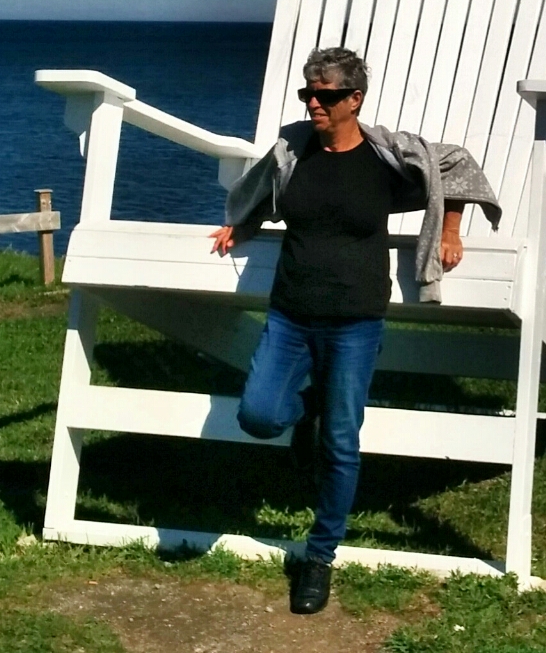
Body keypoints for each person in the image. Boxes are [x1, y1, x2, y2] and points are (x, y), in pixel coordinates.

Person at [210, 47, 500, 614]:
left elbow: (457, 166)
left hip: (356, 322)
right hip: (291, 313)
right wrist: (241, 226)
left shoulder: (388, 159)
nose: (313, 104)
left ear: (355, 99)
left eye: (326, 95)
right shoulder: (292, 151)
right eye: (308, 94)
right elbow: (264, 192)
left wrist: (450, 228)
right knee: (259, 415)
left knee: (341, 442)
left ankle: (319, 558)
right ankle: (309, 408)